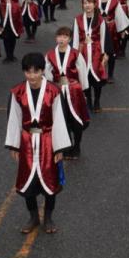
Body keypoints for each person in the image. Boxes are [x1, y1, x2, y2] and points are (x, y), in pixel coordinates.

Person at [6, 52, 72, 234]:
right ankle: (33, 217)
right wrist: (14, 144)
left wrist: (60, 148)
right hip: (27, 141)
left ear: (43, 71)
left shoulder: (54, 91)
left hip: (47, 140)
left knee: (50, 183)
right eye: (28, 72)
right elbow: (14, 118)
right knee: (28, 183)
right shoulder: (17, 92)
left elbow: (60, 119)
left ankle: (49, 218)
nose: (32, 76)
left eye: (36, 72)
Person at [46, 26, 90, 160]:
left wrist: (84, 92)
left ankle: (77, 146)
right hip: (58, 90)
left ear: (70, 39)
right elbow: (46, 71)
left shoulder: (75, 54)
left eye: (65, 37)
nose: (62, 39)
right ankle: (67, 145)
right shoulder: (50, 54)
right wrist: (52, 83)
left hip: (73, 90)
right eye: (59, 36)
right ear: (56, 38)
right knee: (61, 119)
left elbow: (82, 72)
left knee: (76, 119)